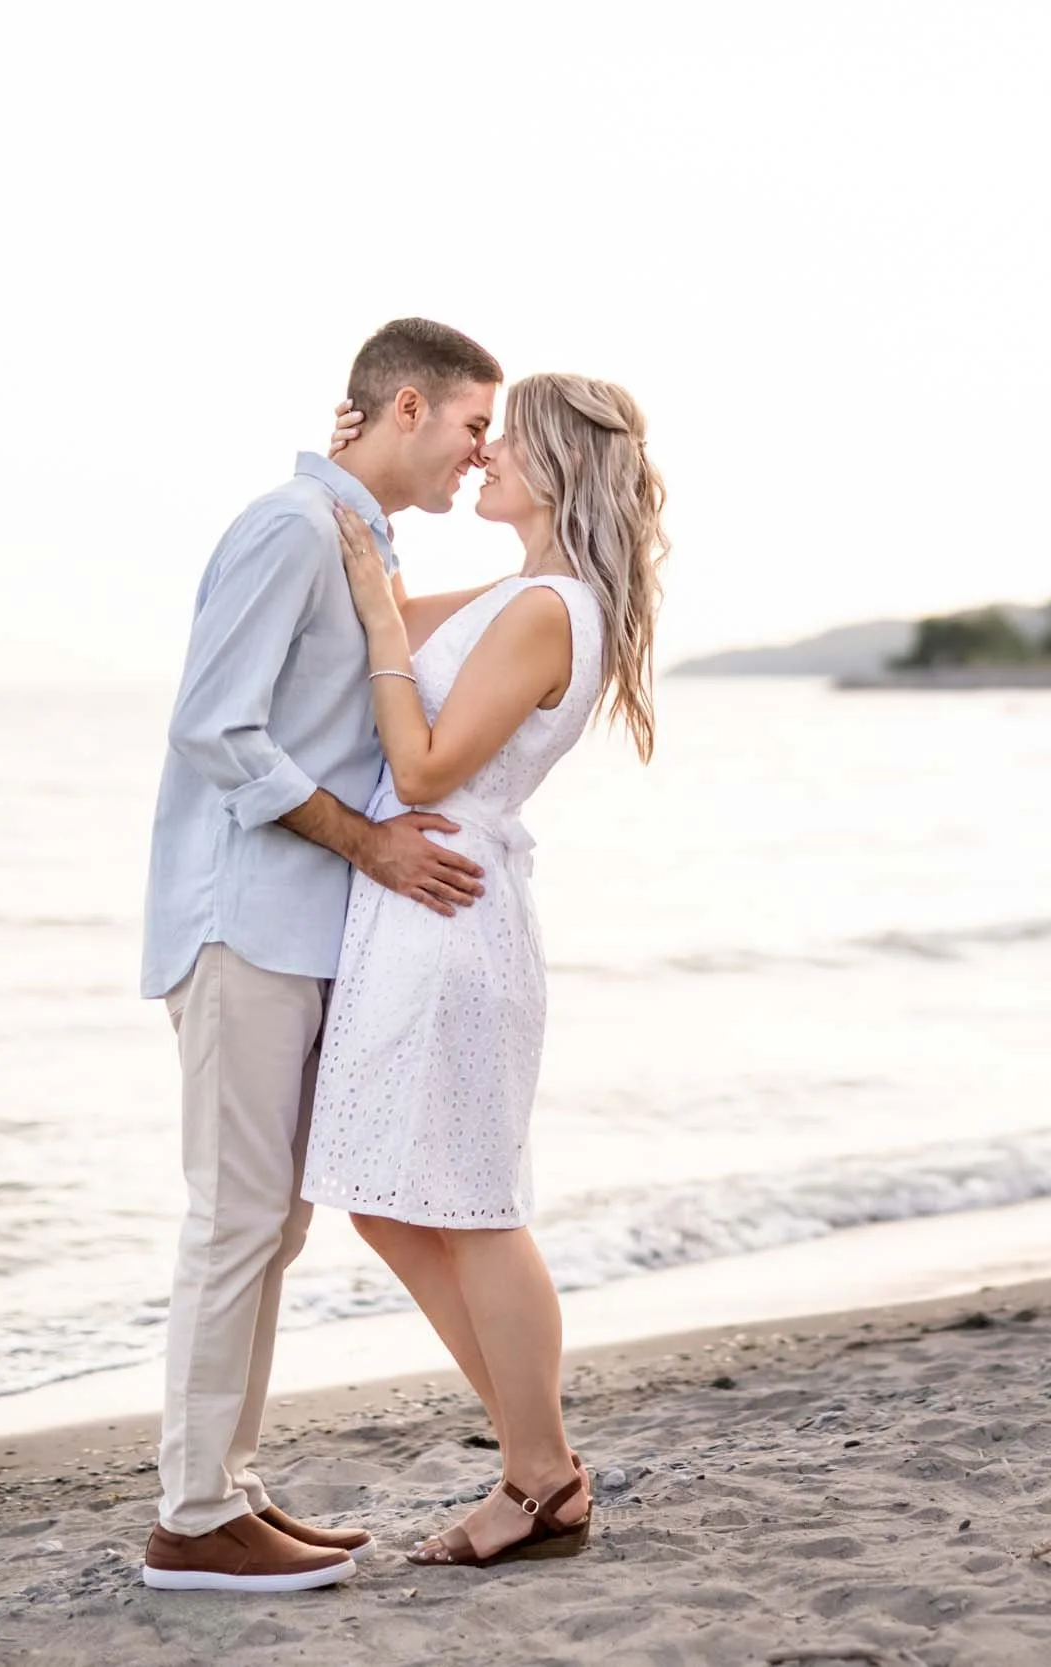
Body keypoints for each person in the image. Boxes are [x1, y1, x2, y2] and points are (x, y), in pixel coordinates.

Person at [137, 319, 503, 1592]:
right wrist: (373, 846)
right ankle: (189, 1513)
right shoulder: (291, 526)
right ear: (407, 407)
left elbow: (390, 654)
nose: (480, 453)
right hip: (244, 919)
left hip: (298, 924)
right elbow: (213, 728)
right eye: (470, 426)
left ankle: (226, 1485)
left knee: (270, 1224)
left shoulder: (358, 540)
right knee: (238, 1217)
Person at [299, 372, 667, 1566]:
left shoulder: (548, 610)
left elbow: (419, 767)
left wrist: (381, 653)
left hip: (447, 913)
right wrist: (359, 478)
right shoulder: (520, 595)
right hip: (417, 910)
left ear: (558, 465)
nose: (484, 457)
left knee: (474, 1207)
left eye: (505, 443)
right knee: (389, 1197)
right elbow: (391, 617)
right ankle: (535, 1457)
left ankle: (540, 1469)